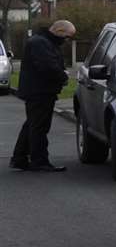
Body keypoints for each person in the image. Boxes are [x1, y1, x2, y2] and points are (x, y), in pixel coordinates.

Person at [11, 19, 76, 173]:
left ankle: (20, 158)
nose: (67, 41)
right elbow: (48, 66)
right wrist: (63, 76)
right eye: (67, 37)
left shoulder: (42, 42)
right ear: (59, 32)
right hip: (40, 91)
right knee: (39, 127)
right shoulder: (41, 43)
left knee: (32, 125)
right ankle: (39, 161)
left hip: (38, 90)